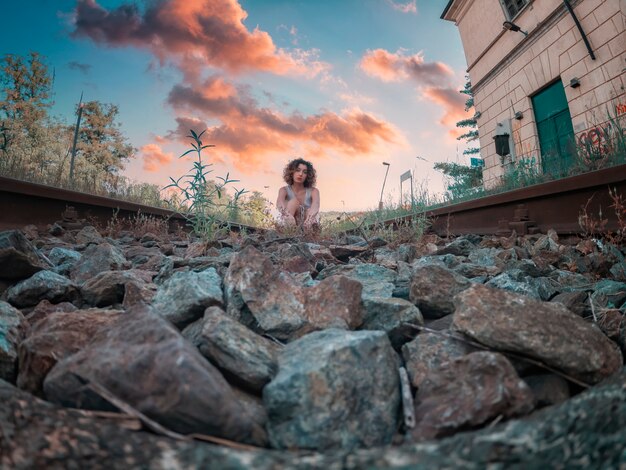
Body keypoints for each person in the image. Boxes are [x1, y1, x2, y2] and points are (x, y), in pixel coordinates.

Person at [276, 158, 320, 229]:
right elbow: (279, 203)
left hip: (308, 225)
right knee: (293, 202)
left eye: (305, 172)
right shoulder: (283, 190)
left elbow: (316, 205)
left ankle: (311, 235)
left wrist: (310, 218)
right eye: (297, 170)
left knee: (309, 211)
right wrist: (287, 215)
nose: (300, 174)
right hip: (291, 223)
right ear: (291, 172)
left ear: (308, 175)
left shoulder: (314, 191)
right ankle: (290, 234)